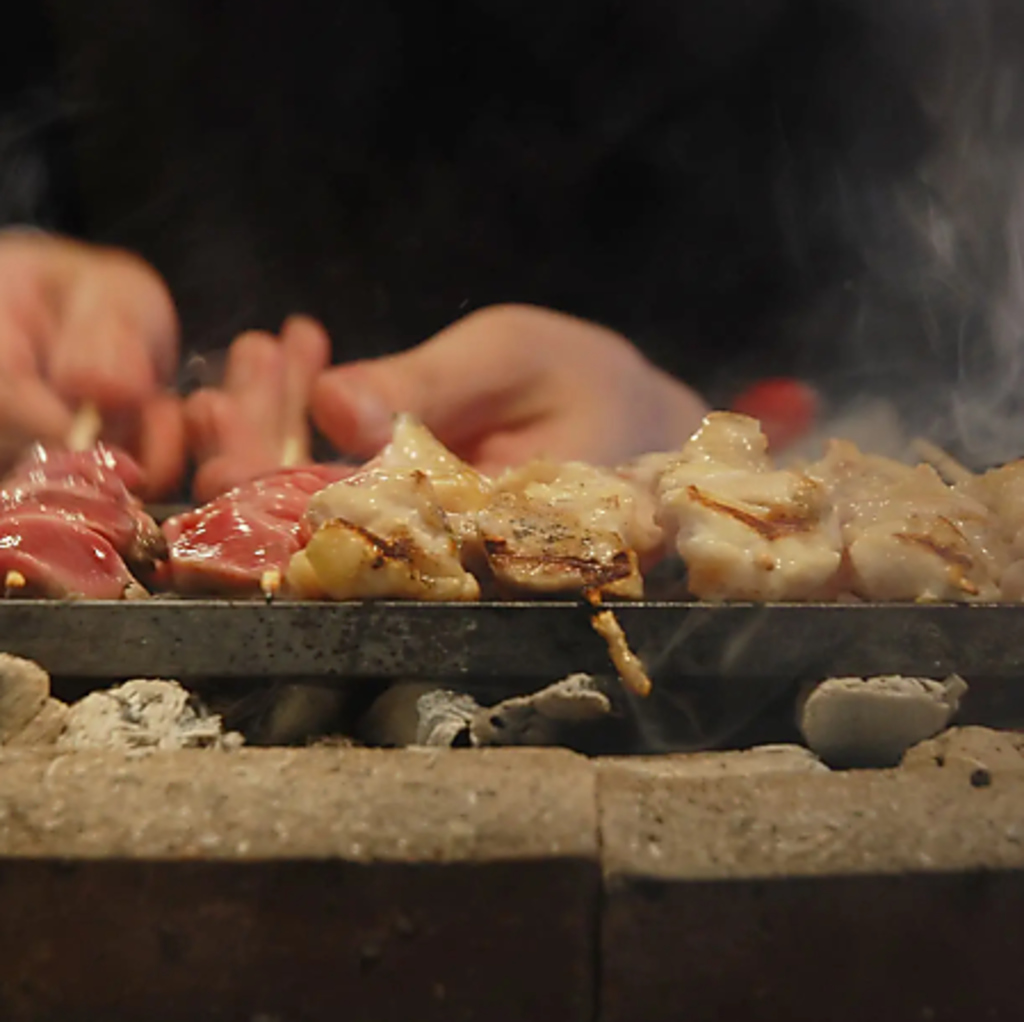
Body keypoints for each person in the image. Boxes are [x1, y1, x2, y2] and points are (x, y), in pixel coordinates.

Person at [0, 0, 1018, 498]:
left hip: (662, 478)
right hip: (121, 492)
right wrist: (33, 262)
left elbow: (951, 367)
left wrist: (708, 454)